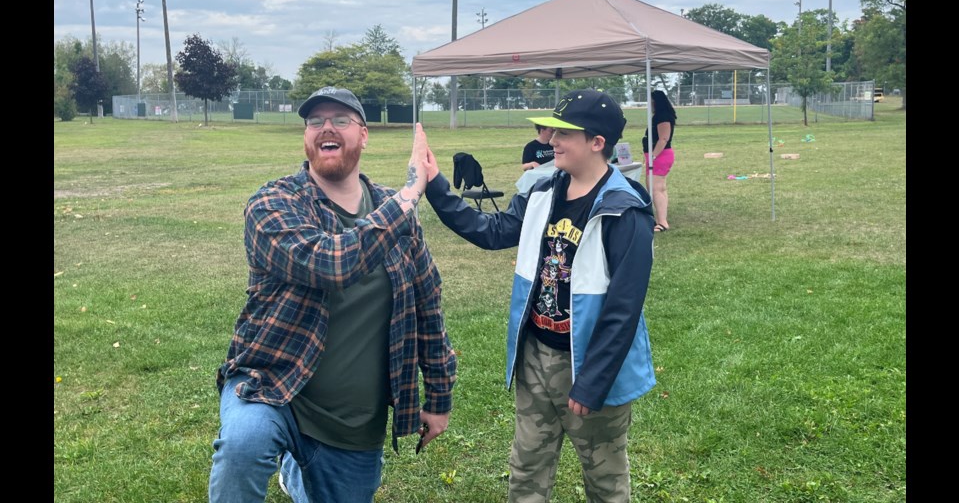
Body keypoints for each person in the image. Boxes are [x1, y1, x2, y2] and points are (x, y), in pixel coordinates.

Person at [208, 86, 457, 503]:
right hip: (272, 386)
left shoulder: (393, 213)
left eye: (341, 120)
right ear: (305, 136)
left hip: (352, 419)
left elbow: (427, 302)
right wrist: (411, 193)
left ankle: (298, 471)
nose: (327, 128)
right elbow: (330, 263)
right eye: (315, 121)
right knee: (242, 447)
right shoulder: (273, 203)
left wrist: (439, 394)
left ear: (363, 134)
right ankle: (291, 456)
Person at [422, 89, 657, 502]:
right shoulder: (542, 191)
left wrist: (593, 382)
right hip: (536, 358)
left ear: (597, 143)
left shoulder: (626, 209)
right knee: (526, 471)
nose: (551, 141)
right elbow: (492, 231)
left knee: (605, 480)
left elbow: (624, 309)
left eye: (564, 133)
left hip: (589, 364)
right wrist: (436, 187)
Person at [641, 90, 677, 233]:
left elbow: (663, 138)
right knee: (653, 188)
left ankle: (663, 222)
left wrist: (653, 156)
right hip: (655, 155)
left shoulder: (663, 117)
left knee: (657, 188)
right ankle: (659, 219)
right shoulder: (658, 116)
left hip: (660, 156)